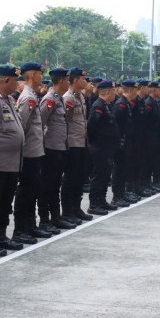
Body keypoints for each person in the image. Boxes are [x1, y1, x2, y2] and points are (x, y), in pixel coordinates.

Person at [13, 62, 52, 244]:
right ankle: (21, 229)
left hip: (35, 152)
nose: (41, 77)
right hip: (29, 153)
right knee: (26, 192)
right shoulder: (28, 98)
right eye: (38, 74)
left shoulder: (33, 96)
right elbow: (22, 128)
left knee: (33, 191)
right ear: (31, 76)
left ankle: (30, 226)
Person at [0, 65, 26, 255]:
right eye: (15, 80)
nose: (18, 84)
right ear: (6, 80)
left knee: (5, 203)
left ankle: (1, 236)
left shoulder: (8, 99)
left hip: (11, 163)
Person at [39, 67, 75, 231]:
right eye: (67, 80)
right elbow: (41, 124)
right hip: (50, 149)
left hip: (60, 148)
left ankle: (55, 217)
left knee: (55, 185)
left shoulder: (59, 99)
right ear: (61, 80)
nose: (69, 82)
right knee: (47, 186)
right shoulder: (50, 100)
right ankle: (45, 220)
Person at [60, 67, 90, 224]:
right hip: (72, 143)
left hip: (82, 142)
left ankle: (76, 208)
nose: (85, 81)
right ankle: (67, 211)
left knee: (79, 177)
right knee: (70, 178)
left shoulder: (80, 97)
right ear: (76, 80)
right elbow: (65, 121)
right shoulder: (68, 98)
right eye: (83, 79)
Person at [87, 80, 118, 215]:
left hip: (107, 147)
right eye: (113, 90)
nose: (115, 93)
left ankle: (102, 200)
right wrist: (96, 145)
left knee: (105, 175)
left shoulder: (108, 105)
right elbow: (91, 127)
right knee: (99, 175)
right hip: (99, 147)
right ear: (107, 92)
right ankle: (94, 204)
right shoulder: (98, 106)